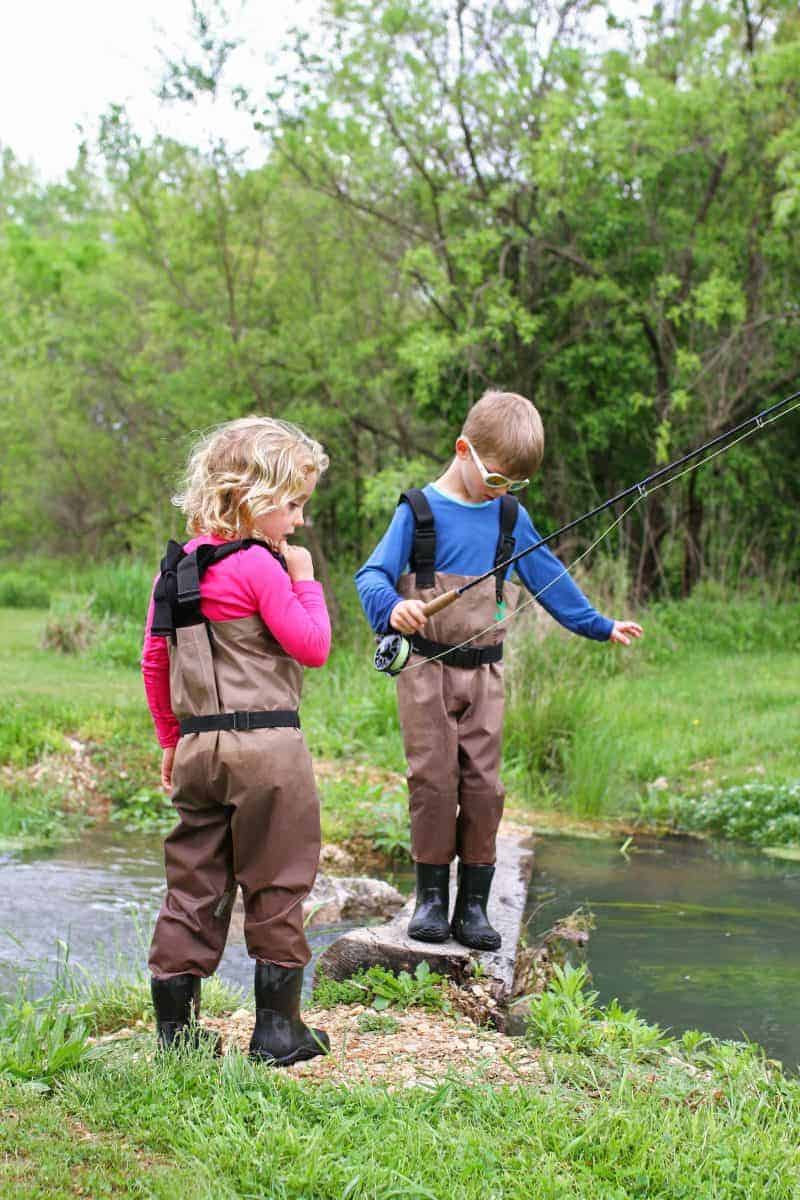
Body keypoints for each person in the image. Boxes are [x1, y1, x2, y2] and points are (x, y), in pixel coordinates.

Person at [355, 391, 642, 951]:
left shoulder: (510, 516)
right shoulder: (416, 512)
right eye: (499, 478)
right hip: (424, 672)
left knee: (484, 786)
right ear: (464, 450)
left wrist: (599, 624)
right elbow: (370, 577)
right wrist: (392, 607)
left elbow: (550, 578)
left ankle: (475, 906)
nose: (505, 490)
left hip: (486, 676)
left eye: (516, 484)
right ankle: (433, 900)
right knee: (434, 781)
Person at [141, 416, 331, 1066]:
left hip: (198, 748)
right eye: (294, 504)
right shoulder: (259, 564)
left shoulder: (175, 570)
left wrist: (172, 739)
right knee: (277, 878)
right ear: (254, 496)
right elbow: (312, 647)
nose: (299, 522)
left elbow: (155, 663)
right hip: (268, 750)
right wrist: (304, 577)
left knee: (193, 883)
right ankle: (278, 1033)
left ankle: (179, 1037)